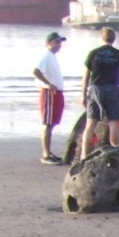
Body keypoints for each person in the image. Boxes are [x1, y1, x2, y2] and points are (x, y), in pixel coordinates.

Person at [80, 26, 119, 158]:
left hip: (96, 88)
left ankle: (84, 155)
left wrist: (83, 95)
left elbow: (86, 76)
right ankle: (116, 153)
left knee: (90, 123)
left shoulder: (93, 53)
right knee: (113, 122)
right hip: (113, 88)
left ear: (101, 38)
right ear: (114, 39)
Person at [33, 31, 68, 163]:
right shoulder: (45, 55)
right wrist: (49, 84)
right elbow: (35, 71)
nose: (59, 45)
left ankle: (49, 152)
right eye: (56, 42)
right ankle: (46, 154)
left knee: (52, 123)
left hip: (56, 92)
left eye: (60, 42)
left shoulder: (52, 56)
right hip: (49, 93)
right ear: (49, 44)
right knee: (47, 123)